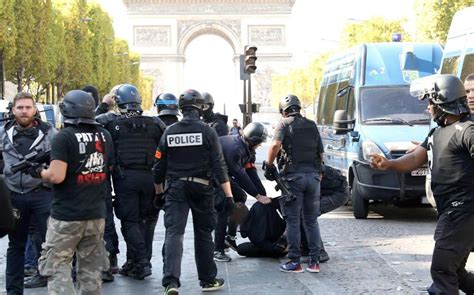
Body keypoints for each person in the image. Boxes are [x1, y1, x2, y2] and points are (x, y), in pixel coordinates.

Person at [370, 74, 474, 295]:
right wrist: (388, 164)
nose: (428, 109)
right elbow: (416, 158)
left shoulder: (467, 130)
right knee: (455, 272)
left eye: (430, 103)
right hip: (449, 210)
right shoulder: (436, 132)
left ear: (442, 102)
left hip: (463, 211)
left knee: (442, 270)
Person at [153, 89, 234, 294]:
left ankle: (171, 282)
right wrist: (229, 195)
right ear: (200, 107)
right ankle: (207, 280)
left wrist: (158, 193)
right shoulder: (208, 131)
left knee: (174, 233)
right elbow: (219, 165)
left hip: (175, 188)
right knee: (203, 233)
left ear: (181, 109)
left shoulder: (169, 131)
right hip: (202, 186)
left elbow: (158, 167)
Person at [36, 90, 113, 294]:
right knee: (91, 271)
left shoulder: (64, 137)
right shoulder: (104, 136)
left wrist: (39, 172)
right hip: (96, 213)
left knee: (58, 267)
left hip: (67, 215)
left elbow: (56, 176)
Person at [96, 84, 166, 280]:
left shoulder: (110, 122)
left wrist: (103, 105)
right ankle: (135, 263)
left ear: (117, 101)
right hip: (151, 179)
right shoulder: (155, 123)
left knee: (130, 222)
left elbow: (86, 123)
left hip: (125, 179)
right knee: (145, 222)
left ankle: (142, 262)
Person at [1, 92, 57, 293]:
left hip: (42, 194)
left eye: (28, 107)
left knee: (50, 244)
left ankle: (55, 287)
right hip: (14, 196)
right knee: (15, 245)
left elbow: (60, 161)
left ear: (34, 109)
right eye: (20, 108)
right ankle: (13, 291)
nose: (24, 111)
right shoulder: (3, 133)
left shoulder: (50, 132)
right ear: (13, 110)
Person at [264, 94, 324, 273]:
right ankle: (314, 262)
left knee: (293, 221)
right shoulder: (312, 125)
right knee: (311, 221)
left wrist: (268, 164)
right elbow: (321, 154)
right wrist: (318, 174)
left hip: (293, 179)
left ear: (283, 111)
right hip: (313, 178)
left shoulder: (284, 124)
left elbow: (275, 145)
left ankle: (294, 262)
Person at [213, 122, 271, 262]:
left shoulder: (248, 150)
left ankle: (230, 236)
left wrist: (262, 194)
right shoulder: (235, 148)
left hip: (223, 176)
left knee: (240, 198)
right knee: (224, 208)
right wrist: (257, 196)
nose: (260, 146)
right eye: (259, 143)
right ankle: (218, 249)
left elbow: (251, 172)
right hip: (211, 176)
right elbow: (240, 175)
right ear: (254, 140)